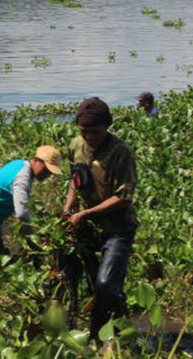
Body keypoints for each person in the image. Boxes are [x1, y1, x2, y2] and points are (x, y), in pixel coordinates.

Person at [63, 97, 139, 341]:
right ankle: (84, 326)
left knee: (106, 284)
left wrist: (85, 213)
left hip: (118, 228)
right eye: (84, 132)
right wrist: (68, 209)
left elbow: (123, 198)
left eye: (95, 132)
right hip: (87, 226)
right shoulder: (76, 146)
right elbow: (74, 182)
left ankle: (106, 337)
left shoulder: (121, 152)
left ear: (107, 126)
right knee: (69, 274)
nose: (90, 137)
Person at [0, 146, 63, 270]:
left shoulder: (19, 164)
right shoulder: (22, 178)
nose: (48, 174)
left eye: (50, 172)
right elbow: (21, 214)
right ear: (36, 160)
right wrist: (31, 241)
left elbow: (24, 204)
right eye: (46, 169)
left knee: (2, 259)